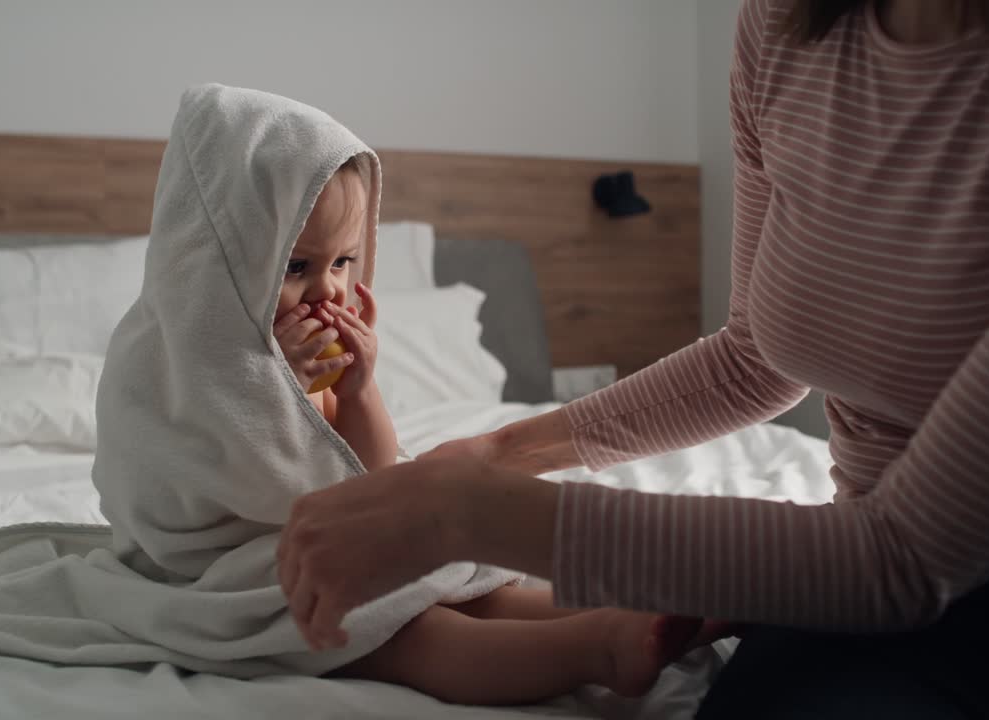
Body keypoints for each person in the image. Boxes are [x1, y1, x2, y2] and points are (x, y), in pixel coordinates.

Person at [277, 0, 989, 716]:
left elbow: (905, 559)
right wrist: (503, 453)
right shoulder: (790, 32)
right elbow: (753, 359)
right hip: (855, 570)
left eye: (341, 262)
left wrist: (462, 512)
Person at [274, 159, 700, 704]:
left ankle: (643, 614)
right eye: (297, 266)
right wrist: (273, 384)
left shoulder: (323, 364)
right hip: (274, 563)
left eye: (342, 263)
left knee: (485, 596)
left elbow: (371, 470)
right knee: (414, 633)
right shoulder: (206, 369)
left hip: (351, 537)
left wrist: (359, 389)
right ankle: (596, 649)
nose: (327, 291)